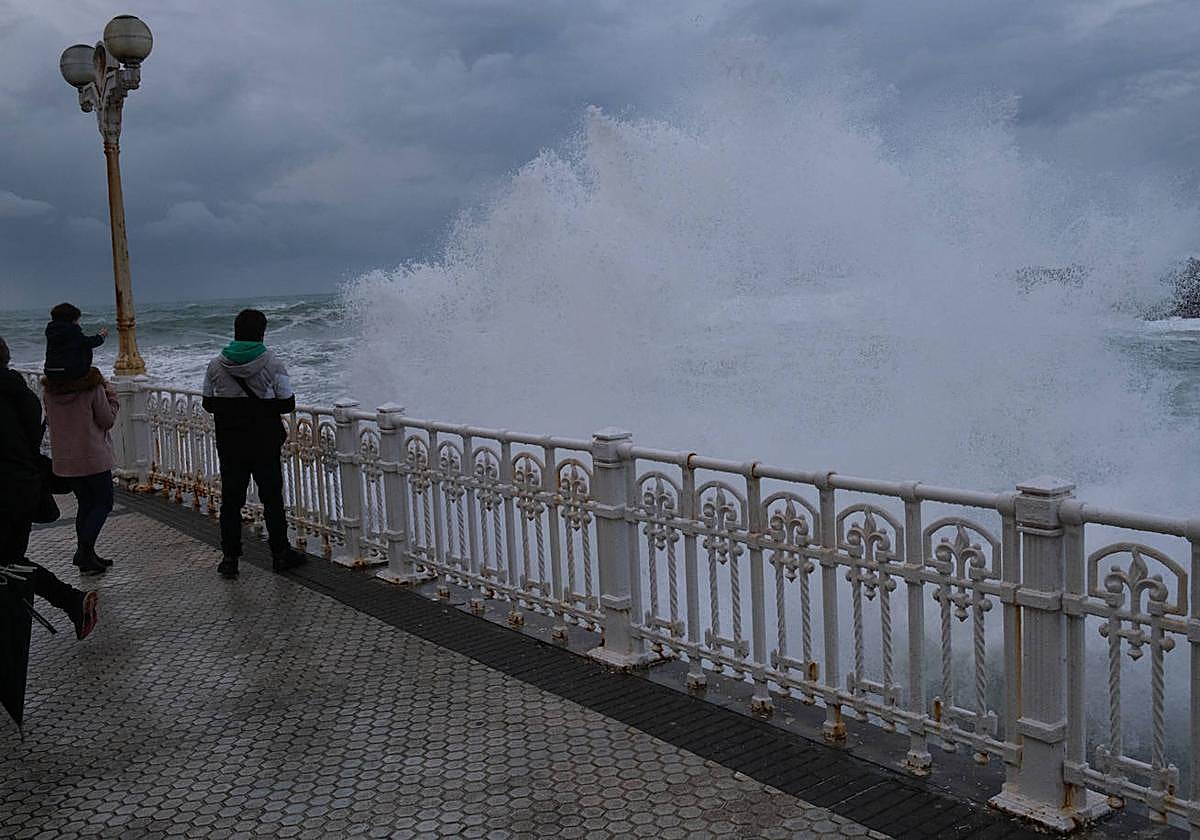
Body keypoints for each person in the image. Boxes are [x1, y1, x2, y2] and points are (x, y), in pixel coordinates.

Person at [0, 336, 98, 640]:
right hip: (24, 488)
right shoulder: (18, 391)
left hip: (8, 491)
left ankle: (72, 601)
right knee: (9, 560)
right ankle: (72, 602)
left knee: (8, 562)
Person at [201, 308, 305, 579]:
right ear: (262, 333)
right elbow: (287, 402)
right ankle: (281, 554)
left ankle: (230, 558)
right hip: (264, 443)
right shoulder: (273, 363)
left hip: (231, 444)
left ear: (236, 332)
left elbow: (208, 404)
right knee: (272, 499)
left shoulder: (215, 364)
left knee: (231, 501)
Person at [41, 356, 119, 575]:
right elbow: (107, 420)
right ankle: (84, 551)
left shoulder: (50, 392)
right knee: (103, 503)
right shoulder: (91, 389)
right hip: (93, 458)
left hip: (66, 461)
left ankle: (88, 554)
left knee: (85, 504)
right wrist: (111, 396)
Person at [44, 302, 108, 381]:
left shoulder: (51, 330)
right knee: (95, 374)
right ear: (72, 319)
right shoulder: (71, 330)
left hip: (50, 370)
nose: (78, 322)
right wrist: (101, 336)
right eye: (77, 319)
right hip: (69, 371)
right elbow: (88, 342)